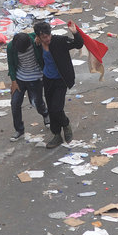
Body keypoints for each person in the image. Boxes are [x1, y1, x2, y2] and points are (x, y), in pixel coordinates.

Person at [33, 20, 83, 149]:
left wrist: (75, 33)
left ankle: (66, 124)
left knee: (57, 108)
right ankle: (56, 135)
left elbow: (78, 44)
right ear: (38, 37)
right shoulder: (38, 44)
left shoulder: (60, 41)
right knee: (51, 109)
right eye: (44, 37)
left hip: (61, 79)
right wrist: (36, 40)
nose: (48, 38)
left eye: (48, 35)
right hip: (48, 79)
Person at [7, 31, 50, 141]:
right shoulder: (11, 46)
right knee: (15, 103)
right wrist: (13, 81)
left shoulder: (34, 38)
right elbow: (11, 64)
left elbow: (45, 30)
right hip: (20, 79)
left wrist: (40, 38)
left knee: (36, 102)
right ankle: (19, 130)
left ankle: (45, 114)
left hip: (35, 78)